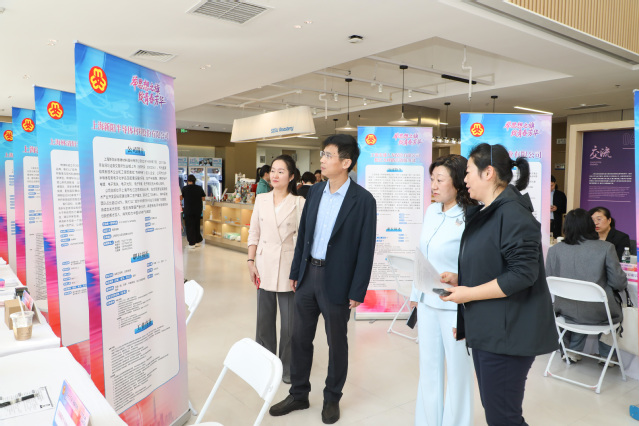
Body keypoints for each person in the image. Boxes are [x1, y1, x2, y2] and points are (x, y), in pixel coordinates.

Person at [440, 143, 558, 426]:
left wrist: (469, 292)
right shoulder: (490, 212)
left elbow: (522, 274)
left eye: (468, 172)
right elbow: (495, 263)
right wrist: (461, 279)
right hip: (491, 329)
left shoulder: (513, 214)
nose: (465, 179)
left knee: (503, 417)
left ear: (488, 172)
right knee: (498, 413)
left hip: (509, 335)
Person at [269, 134, 377, 424]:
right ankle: (299, 393)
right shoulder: (315, 191)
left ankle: (332, 398)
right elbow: (304, 235)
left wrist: (357, 290)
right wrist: (296, 272)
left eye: (328, 155)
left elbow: (366, 249)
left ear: (346, 162)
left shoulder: (363, 201)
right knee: (299, 338)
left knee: (336, 343)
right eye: (323, 154)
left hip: (337, 281)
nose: (322, 159)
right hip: (308, 276)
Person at [408, 155, 476, 426]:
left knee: (458, 372)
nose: (433, 186)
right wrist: (415, 295)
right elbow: (422, 255)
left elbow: (479, 265)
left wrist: (461, 278)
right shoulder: (431, 211)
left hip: (456, 306)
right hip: (427, 302)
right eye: (432, 179)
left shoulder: (471, 217)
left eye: (440, 180)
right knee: (429, 369)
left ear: (458, 182)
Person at [247, 155, 305, 384]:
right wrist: (250, 261)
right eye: (273, 170)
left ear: (291, 176)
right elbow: (254, 232)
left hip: (288, 268)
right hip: (263, 264)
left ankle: (288, 368)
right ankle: (265, 365)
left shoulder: (299, 203)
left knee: (289, 324)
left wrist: (298, 271)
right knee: (263, 321)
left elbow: (303, 241)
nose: (275, 175)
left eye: (281, 171)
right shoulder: (261, 199)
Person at [546, 208, 627, 362]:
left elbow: (549, 279)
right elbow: (619, 283)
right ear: (590, 225)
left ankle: (572, 351)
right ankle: (607, 356)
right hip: (598, 312)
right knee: (611, 310)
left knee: (580, 311)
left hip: (565, 310)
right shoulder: (606, 248)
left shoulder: (554, 250)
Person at [180, 174, 206, 249]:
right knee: (196, 225)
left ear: (188, 181)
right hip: (198, 210)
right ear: (194, 181)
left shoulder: (185, 188)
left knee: (190, 226)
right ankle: (197, 241)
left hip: (189, 210)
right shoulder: (199, 188)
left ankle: (191, 243)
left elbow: (181, 198)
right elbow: (203, 198)